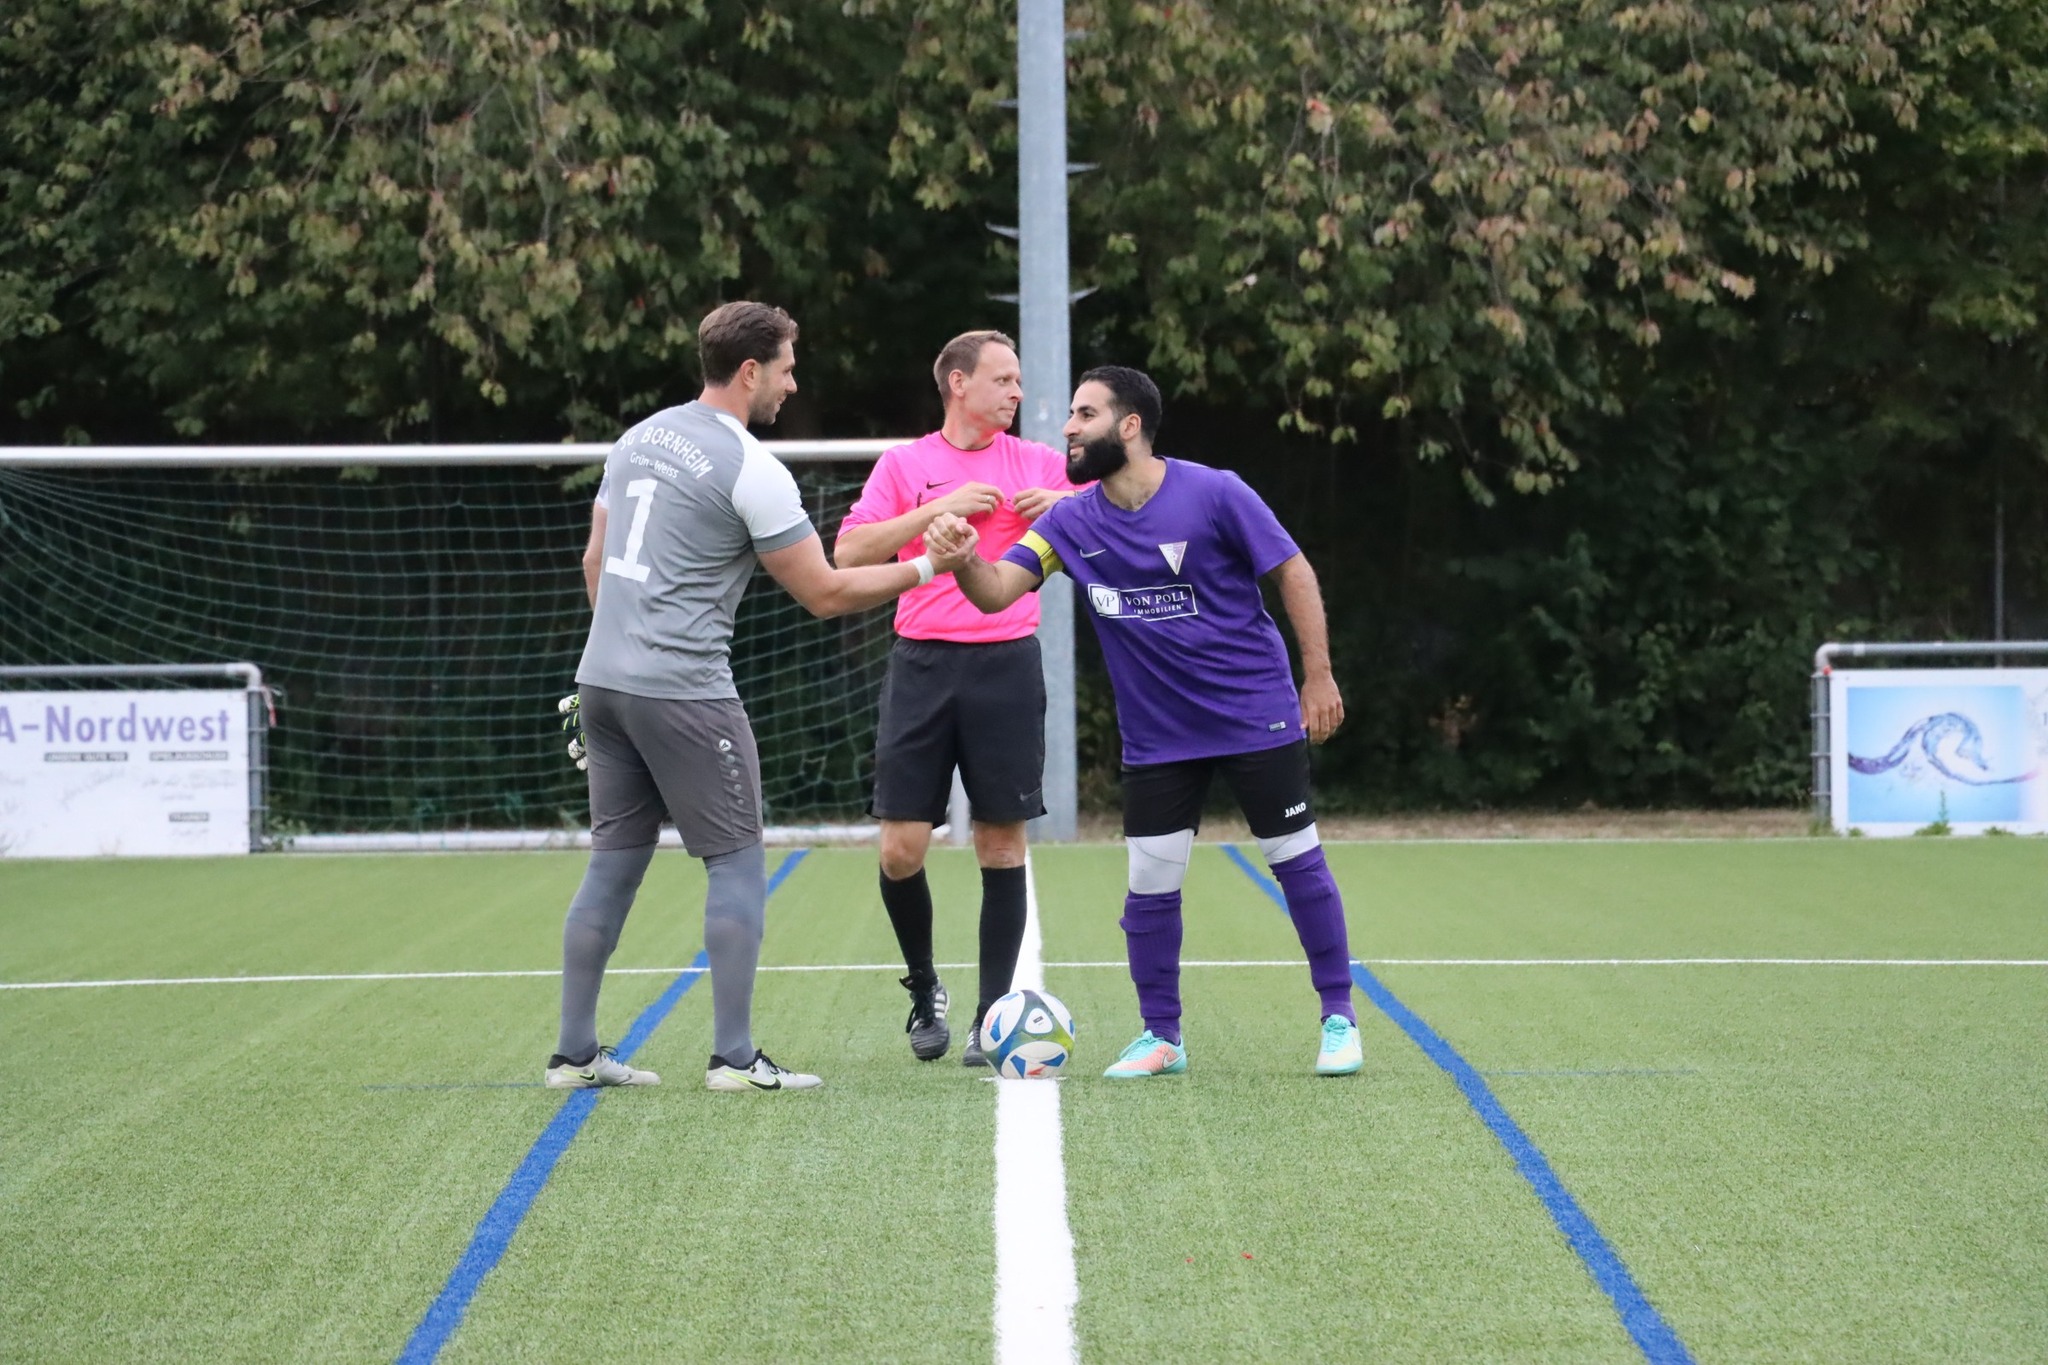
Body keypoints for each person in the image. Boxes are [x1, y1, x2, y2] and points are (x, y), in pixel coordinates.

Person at [546, 301, 980, 1094]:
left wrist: (618, 654)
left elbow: (594, 560)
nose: (793, 382)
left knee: (612, 863)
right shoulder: (752, 467)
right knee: (737, 861)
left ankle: (574, 1054)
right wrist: (931, 568)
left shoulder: (637, 438)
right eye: (786, 367)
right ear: (750, 371)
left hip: (601, 681)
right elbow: (826, 592)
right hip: (685, 691)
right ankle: (735, 1059)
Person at [928, 365, 1362, 1078]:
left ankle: (1339, 1018)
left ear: (1129, 426)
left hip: (1253, 712)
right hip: (1158, 737)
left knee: (1296, 860)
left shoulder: (1216, 492)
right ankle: (1162, 1036)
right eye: (1071, 414)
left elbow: (1292, 570)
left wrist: (1317, 675)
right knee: (1151, 885)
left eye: (1085, 414)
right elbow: (998, 591)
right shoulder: (1068, 522)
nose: (1068, 427)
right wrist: (963, 558)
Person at [833, 330, 1077, 1066]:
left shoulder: (1038, 463)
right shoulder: (906, 464)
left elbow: (1111, 517)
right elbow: (847, 553)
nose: (1017, 392)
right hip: (922, 666)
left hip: (1007, 665)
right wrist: (933, 516)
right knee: (900, 848)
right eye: (1003, 379)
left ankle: (990, 1017)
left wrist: (1059, 504)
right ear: (959, 384)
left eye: (1019, 380)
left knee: (1000, 844)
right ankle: (925, 988)